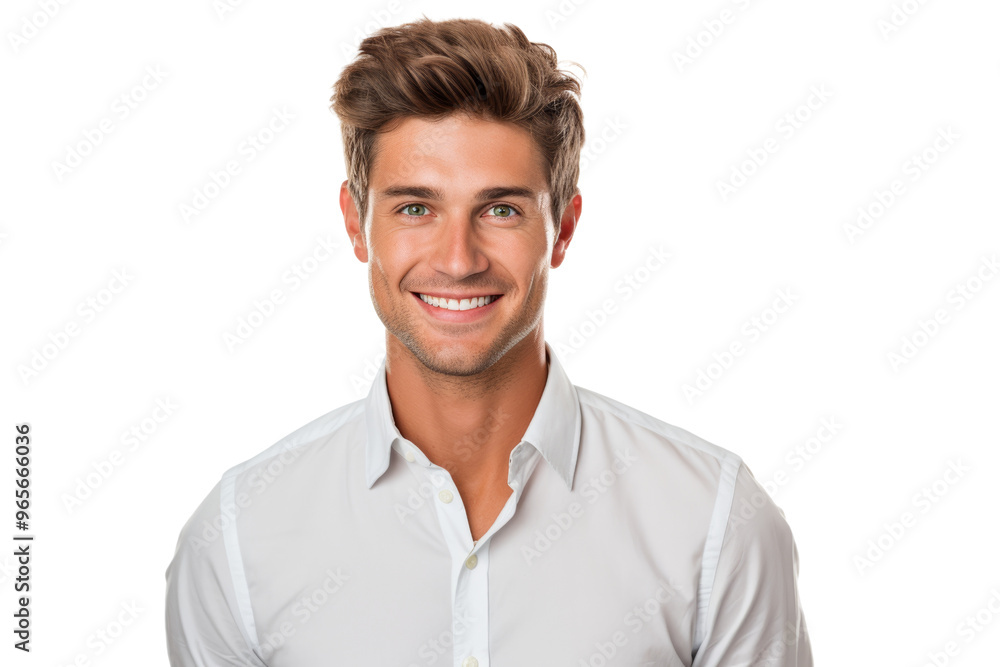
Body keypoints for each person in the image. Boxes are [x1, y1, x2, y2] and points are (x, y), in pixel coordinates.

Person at [165, 16, 813, 666]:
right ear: (356, 225)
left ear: (562, 230)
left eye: (501, 209)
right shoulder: (237, 540)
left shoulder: (715, 524)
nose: (458, 259)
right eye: (415, 208)